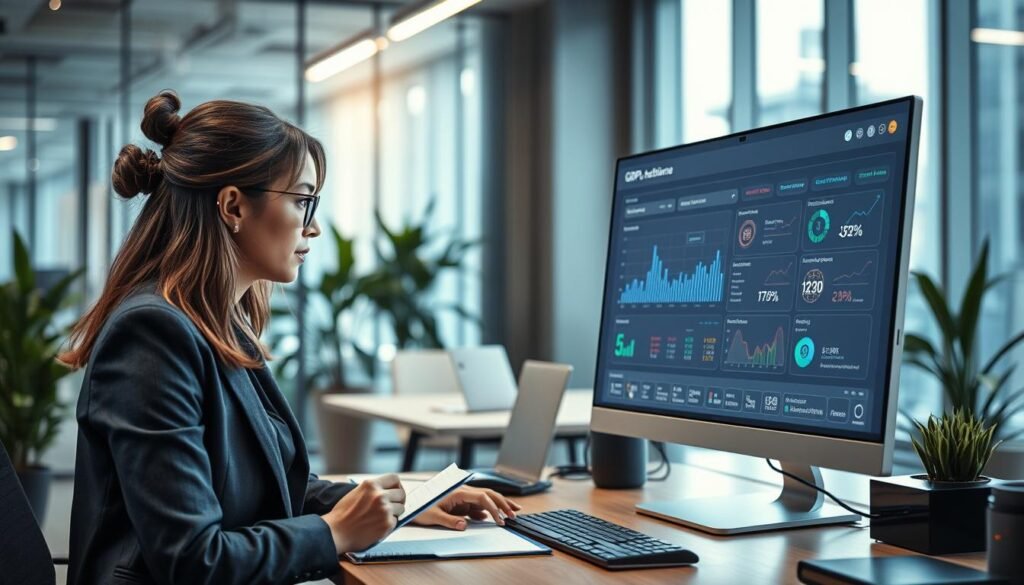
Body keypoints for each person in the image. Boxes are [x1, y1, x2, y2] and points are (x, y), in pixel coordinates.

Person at [60, 90, 519, 585]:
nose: (314, 226)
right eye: (303, 200)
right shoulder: (152, 334)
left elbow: (272, 487)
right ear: (233, 206)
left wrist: (408, 501)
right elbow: (192, 559)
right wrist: (333, 533)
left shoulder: (218, 322)